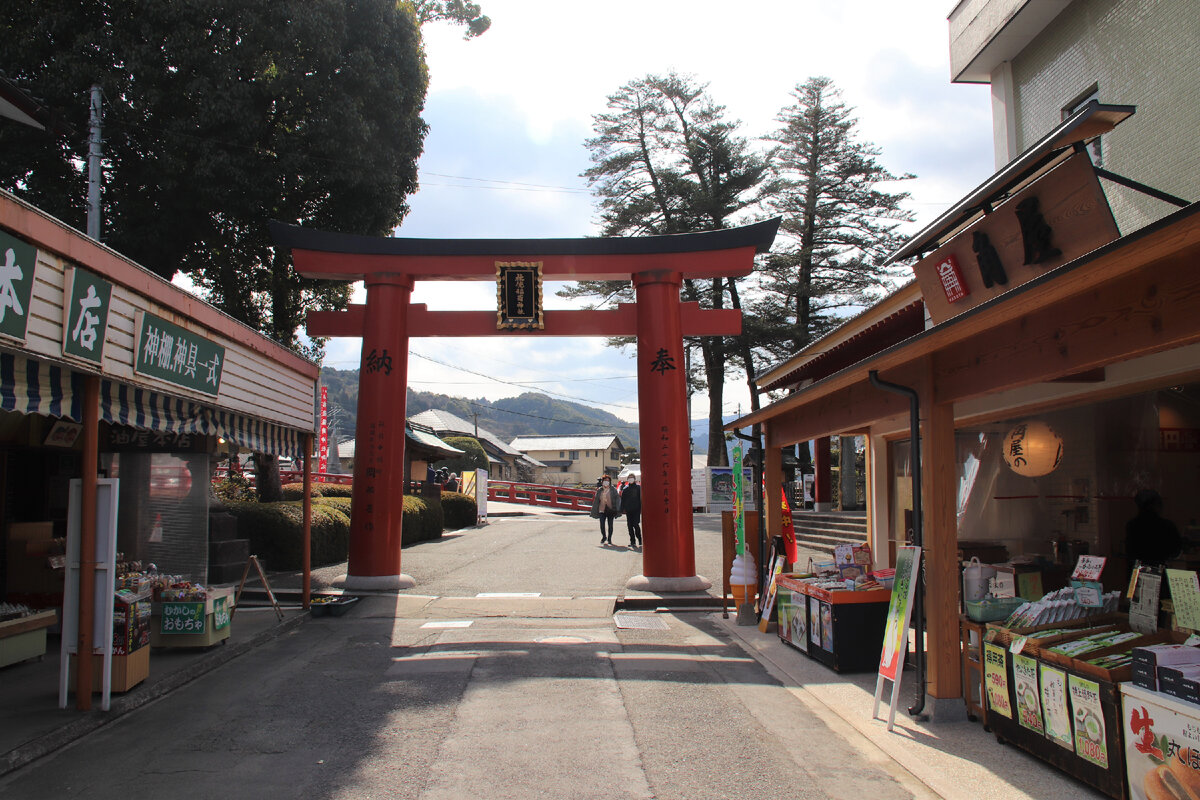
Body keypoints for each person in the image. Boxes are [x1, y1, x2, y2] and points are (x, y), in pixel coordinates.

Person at [1126, 489, 1182, 573]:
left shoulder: (1131, 525)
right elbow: (1175, 552)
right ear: (1156, 505)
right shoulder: (1167, 526)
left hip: (1137, 574)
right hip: (1159, 573)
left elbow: (1130, 552)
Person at [591, 477, 620, 545]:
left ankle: (609, 538)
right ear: (602, 482)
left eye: (607, 481)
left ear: (610, 482)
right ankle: (604, 536)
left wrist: (617, 508)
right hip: (602, 509)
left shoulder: (613, 490)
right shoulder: (600, 490)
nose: (606, 482)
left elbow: (617, 498)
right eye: (604, 481)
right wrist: (594, 509)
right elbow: (596, 500)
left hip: (611, 509)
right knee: (602, 524)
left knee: (610, 525)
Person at [620, 475, 642, 548]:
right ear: (627, 479)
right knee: (629, 526)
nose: (630, 479)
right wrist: (621, 509)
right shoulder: (625, 489)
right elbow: (622, 500)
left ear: (635, 479)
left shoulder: (638, 488)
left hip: (636, 509)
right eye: (629, 478)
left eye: (632, 478)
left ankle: (639, 538)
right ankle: (632, 541)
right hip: (628, 510)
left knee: (636, 524)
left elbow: (641, 499)